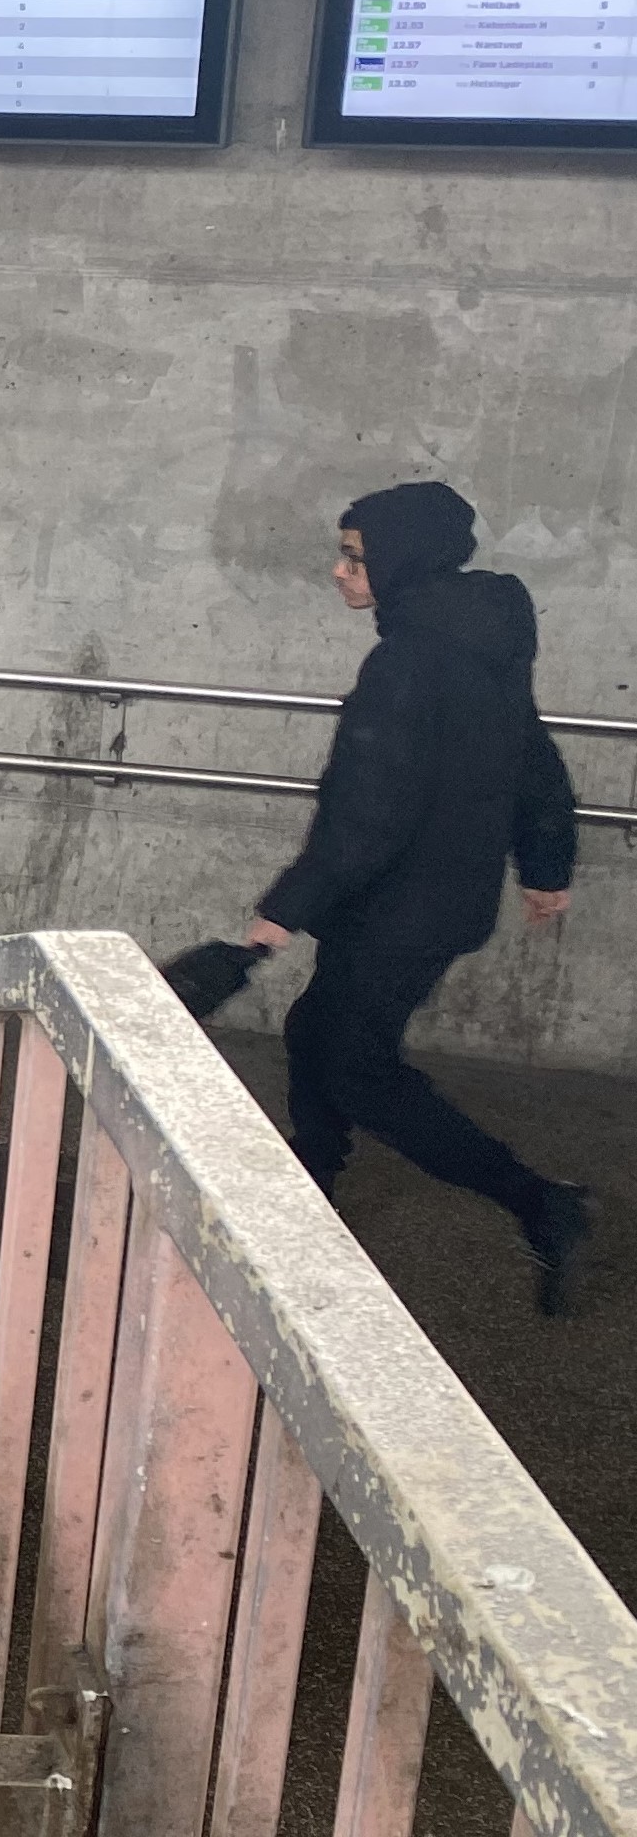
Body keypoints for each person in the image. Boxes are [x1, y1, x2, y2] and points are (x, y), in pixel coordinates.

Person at [243, 480, 594, 1313]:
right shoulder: (479, 638)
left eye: (354, 558)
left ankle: (541, 1201)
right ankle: (308, 1187)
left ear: (400, 559)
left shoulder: (407, 658)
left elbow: (364, 810)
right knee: (316, 1029)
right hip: (434, 902)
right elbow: (532, 755)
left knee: (359, 1066)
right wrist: (545, 866)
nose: (338, 572)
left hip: (396, 906)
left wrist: (284, 909)